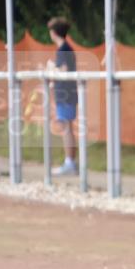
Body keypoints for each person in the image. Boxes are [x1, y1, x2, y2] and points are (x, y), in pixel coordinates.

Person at [45, 16, 78, 175]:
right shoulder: (64, 49)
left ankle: (69, 163)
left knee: (66, 128)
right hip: (64, 94)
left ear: (54, 32)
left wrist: (51, 68)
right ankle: (70, 162)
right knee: (66, 128)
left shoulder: (64, 49)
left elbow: (64, 71)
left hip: (66, 94)